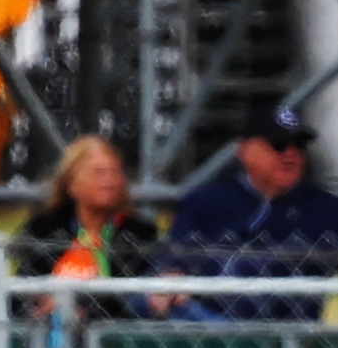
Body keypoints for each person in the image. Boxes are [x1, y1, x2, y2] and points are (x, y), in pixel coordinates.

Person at [166, 107, 338, 301]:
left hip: (296, 326)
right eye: (278, 144)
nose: (291, 154)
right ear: (244, 150)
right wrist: (172, 278)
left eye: (299, 145)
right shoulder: (205, 200)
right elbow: (173, 266)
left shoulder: (328, 208)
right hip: (213, 321)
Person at [18, 133, 166, 285]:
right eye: (99, 173)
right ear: (71, 184)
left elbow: (140, 297)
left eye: (115, 172)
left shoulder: (141, 233)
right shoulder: (43, 229)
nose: (110, 181)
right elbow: (23, 293)